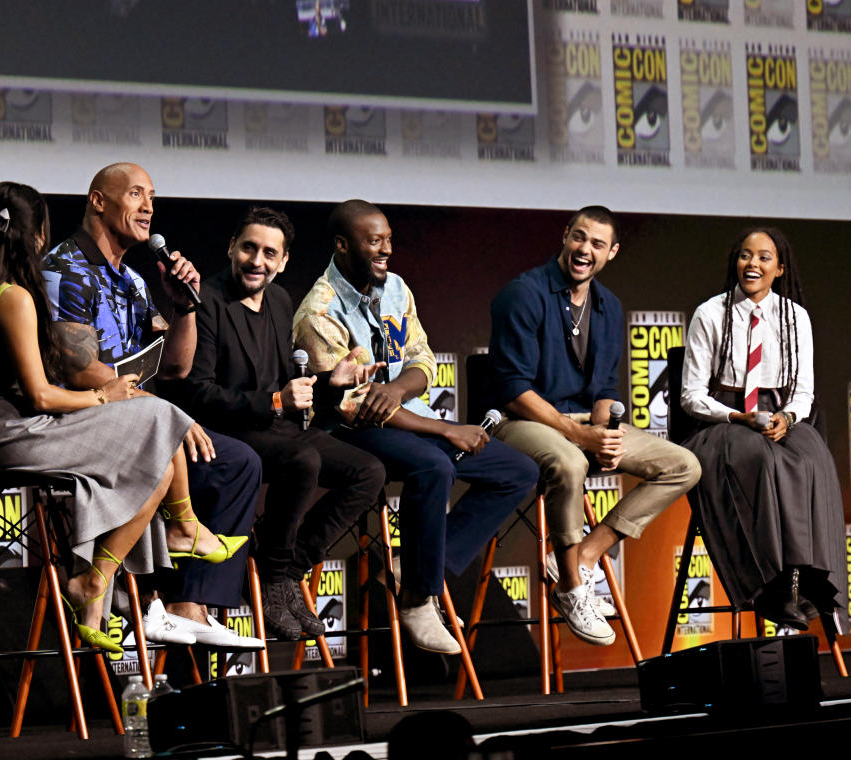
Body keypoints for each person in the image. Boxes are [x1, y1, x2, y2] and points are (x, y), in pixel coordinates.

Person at [0, 182, 238, 654]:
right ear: (35, 235)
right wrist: (104, 395)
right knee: (155, 412)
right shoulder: (14, 297)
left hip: (0, 433)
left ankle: (94, 588)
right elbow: (39, 397)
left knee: (156, 457)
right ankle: (182, 529)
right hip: (11, 436)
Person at [293, 199, 539, 654]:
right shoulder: (319, 312)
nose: (386, 249)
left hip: (407, 419)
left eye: (388, 238)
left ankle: (417, 566)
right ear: (343, 246)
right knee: (433, 466)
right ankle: (417, 599)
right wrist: (445, 430)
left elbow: (423, 359)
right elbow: (353, 406)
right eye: (373, 241)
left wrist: (399, 389)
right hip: (348, 435)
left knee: (517, 471)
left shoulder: (396, 288)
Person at [42, 162, 263, 650]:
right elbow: (79, 370)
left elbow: (176, 368)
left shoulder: (135, 282)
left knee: (237, 462)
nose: (148, 207)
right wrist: (162, 414)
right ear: (99, 201)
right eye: (136, 194)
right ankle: (173, 555)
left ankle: (187, 606)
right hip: (77, 421)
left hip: (135, 419)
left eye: (153, 198)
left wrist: (185, 306)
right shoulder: (64, 269)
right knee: (175, 439)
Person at [162, 206, 386, 641]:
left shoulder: (281, 301)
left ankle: (282, 569)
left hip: (276, 426)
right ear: (232, 248)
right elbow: (195, 392)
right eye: (249, 248)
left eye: (269, 253)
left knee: (369, 471)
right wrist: (275, 401)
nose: (256, 261)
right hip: (226, 433)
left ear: (283, 262)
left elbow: (289, 386)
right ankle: (275, 575)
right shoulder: (205, 301)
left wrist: (329, 382)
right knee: (301, 459)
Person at [488, 205, 701, 646]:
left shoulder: (608, 305)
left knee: (684, 465)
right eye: (579, 238)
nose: (585, 250)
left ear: (612, 252)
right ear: (565, 236)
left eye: (597, 244)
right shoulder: (523, 294)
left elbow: (605, 386)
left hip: (579, 421)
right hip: (520, 420)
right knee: (568, 464)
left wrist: (604, 430)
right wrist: (581, 436)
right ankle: (570, 588)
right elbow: (513, 390)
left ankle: (584, 555)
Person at [680, 227, 847, 629]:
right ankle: (769, 587)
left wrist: (786, 417)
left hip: (779, 414)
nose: (752, 264)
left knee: (811, 458)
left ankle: (807, 585)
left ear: (780, 268)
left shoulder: (795, 317)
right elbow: (691, 395)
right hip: (724, 419)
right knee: (762, 461)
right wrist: (738, 417)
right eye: (745, 255)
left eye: (764, 257)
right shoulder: (711, 313)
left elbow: (804, 390)